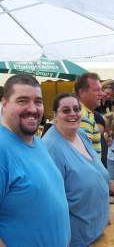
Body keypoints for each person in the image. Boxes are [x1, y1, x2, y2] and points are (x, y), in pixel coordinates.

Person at [42, 93, 114, 247]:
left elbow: (91, 170)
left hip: (97, 230)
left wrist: (108, 184)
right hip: (75, 239)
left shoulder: (81, 134)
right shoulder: (51, 148)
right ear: (55, 115)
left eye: (76, 109)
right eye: (66, 110)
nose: (73, 113)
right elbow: (50, 203)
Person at [0, 74, 70, 247]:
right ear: (4, 103)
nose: (33, 109)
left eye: (38, 101)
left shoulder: (38, 142)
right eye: (22, 101)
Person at [74, 72, 103, 157]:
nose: (101, 93)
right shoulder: (82, 116)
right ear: (82, 92)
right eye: (96, 90)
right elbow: (84, 154)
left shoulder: (86, 112)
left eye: (101, 89)